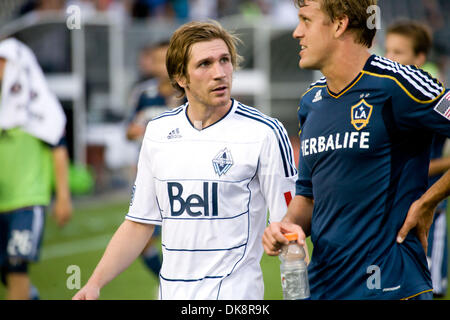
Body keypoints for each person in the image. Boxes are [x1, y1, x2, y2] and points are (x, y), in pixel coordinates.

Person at [73, 20, 299, 300]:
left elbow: (290, 231)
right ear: (181, 77)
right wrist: (94, 284)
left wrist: (299, 294)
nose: (220, 73)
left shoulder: (264, 133)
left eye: (225, 60)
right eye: (205, 64)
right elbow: (139, 223)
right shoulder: (157, 131)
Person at [262, 0, 450, 300]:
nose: (297, 32)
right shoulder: (310, 102)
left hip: (391, 288)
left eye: (306, 20)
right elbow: (307, 197)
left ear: (339, 24)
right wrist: (285, 227)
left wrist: (427, 202)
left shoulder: (398, 84)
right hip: (323, 289)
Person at [0, 38, 72, 300]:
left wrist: (63, 197)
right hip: (1, 201)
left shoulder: (39, 109)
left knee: (17, 266)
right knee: (6, 273)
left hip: (27, 202)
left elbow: (59, 148)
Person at [385, 20, 450, 298]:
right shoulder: (387, 96)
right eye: (387, 51)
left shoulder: (432, 96)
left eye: (398, 52)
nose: (390, 59)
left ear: (420, 58)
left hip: (430, 212)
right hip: (394, 217)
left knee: (431, 290)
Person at [125, 41, 184, 282]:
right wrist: (143, 131)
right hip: (148, 177)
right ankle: (166, 281)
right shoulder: (143, 94)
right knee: (141, 241)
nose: (161, 66)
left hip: (181, 176)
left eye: (166, 60)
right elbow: (128, 130)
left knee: (181, 238)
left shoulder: (186, 93)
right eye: (157, 60)